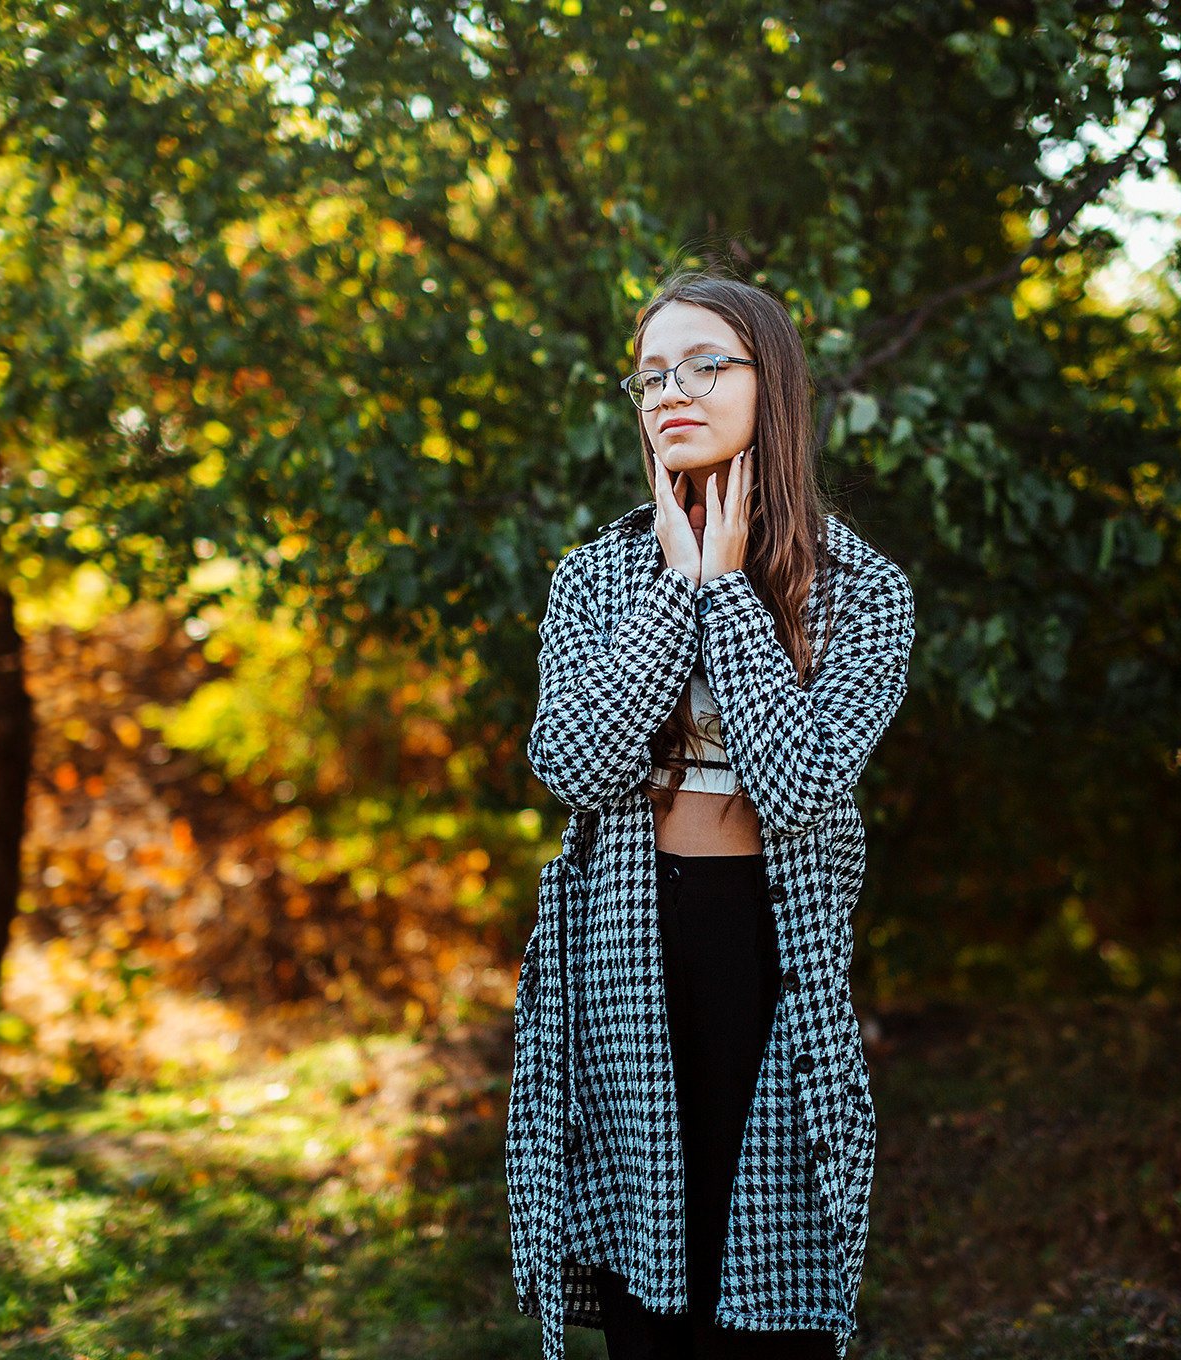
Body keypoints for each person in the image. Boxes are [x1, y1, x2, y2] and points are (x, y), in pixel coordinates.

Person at [506, 272, 915, 1360]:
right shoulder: (596, 578)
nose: (670, 390)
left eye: (703, 365)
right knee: (651, 1284)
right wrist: (671, 590)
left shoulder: (862, 589)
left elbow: (798, 787)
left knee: (769, 1273)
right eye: (650, 375)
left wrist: (728, 591)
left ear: (768, 381)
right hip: (623, 938)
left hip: (771, 943)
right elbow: (575, 765)